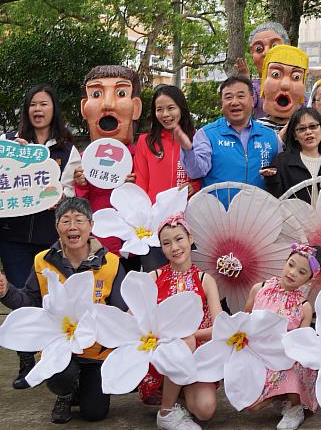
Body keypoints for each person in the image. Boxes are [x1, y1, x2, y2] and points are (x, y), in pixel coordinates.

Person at [0, 197, 127, 424]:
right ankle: (65, 393)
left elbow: (120, 310)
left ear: (91, 226)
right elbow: (30, 302)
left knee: (94, 413)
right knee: (61, 374)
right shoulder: (43, 262)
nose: (72, 227)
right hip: (60, 347)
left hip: (96, 352)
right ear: (57, 227)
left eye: (79, 220)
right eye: (65, 221)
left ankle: (83, 387)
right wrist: (6, 291)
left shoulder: (111, 263)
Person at [0, 84, 80, 389]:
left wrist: (62, 195)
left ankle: (54, 361)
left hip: (51, 235)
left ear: (53, 109)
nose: (38, 110)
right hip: (13, 234)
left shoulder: (67, 150)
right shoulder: (9, 143)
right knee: (20, 295)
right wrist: (13, 158)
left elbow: (71, 190)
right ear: (26, 110)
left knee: (53, 299)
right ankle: (25, 363)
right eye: (33, 104)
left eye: (44, 104)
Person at [140, 214, 221, 430]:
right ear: (161, 248)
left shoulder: (206, 280)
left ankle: (180, 394)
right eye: (166, 243)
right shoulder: (153, 277)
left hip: (197, 354)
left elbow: (221, 327)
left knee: (205, 411)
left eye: (179, 239)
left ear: (190, 238)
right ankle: (166, 412)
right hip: (164, 354)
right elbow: (134, 316)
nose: (174, 247)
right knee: (182, 344)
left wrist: (193, 336)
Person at [244, 243, 321, 430]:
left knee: (294, 362)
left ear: (309, 280)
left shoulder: (304, 306)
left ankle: (295, 407)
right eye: (291, 264)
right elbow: (244, 320)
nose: (293, 273)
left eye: (302, 272)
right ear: (285, 262)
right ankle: (280, 396)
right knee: (251, 405)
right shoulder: (259, 289)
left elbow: (302, 343)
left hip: (286, 357)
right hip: (259, 354)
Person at [74, 65, 142, 264]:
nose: (108, 104)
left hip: (133, 245)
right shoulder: (80, 159)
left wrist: (138, 186)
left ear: (136, 107)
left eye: (121, 93)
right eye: (96, 94)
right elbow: (76, 207)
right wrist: (81, 184)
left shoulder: (143, 156)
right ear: (84, 108)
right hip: (95, 245)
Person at [134, 85, 201, 271]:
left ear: (181, 109)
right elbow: (141, 185)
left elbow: (205, 171)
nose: (165, 114)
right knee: (157, 281)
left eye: (171, 108)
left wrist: (195, 185)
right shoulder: (146, 142)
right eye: (159, 109)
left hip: (188, 224)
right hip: (155, 228)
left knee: (187, 282)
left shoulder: (197, 139)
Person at [178, 75, 280, 190]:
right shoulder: (207, 134)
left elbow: (283, 173)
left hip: (260, 206)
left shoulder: (271, 136)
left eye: (241, 96)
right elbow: (196, 172)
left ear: (252, 100)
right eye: (228, 97)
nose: (234, 102)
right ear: (221, 104)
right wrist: (188, 150)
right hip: (218, 207)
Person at [266, 108, 321, 204]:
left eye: (313, 126)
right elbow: (276, 199)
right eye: (302, 129)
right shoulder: (282, 161)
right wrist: (271, 179)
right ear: (294, 135)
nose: (308, 132)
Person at [236, 22, 289, 119]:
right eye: (259, 49)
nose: (267, 52)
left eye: (274, 46)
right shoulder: (255, 88)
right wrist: (245, 81)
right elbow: (245, 105)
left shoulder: (295, 82)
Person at [257, 45, 309, 133]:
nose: (285, 85)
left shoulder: (306, 130)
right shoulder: (253, 130)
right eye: (275, 74)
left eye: (296, 77)